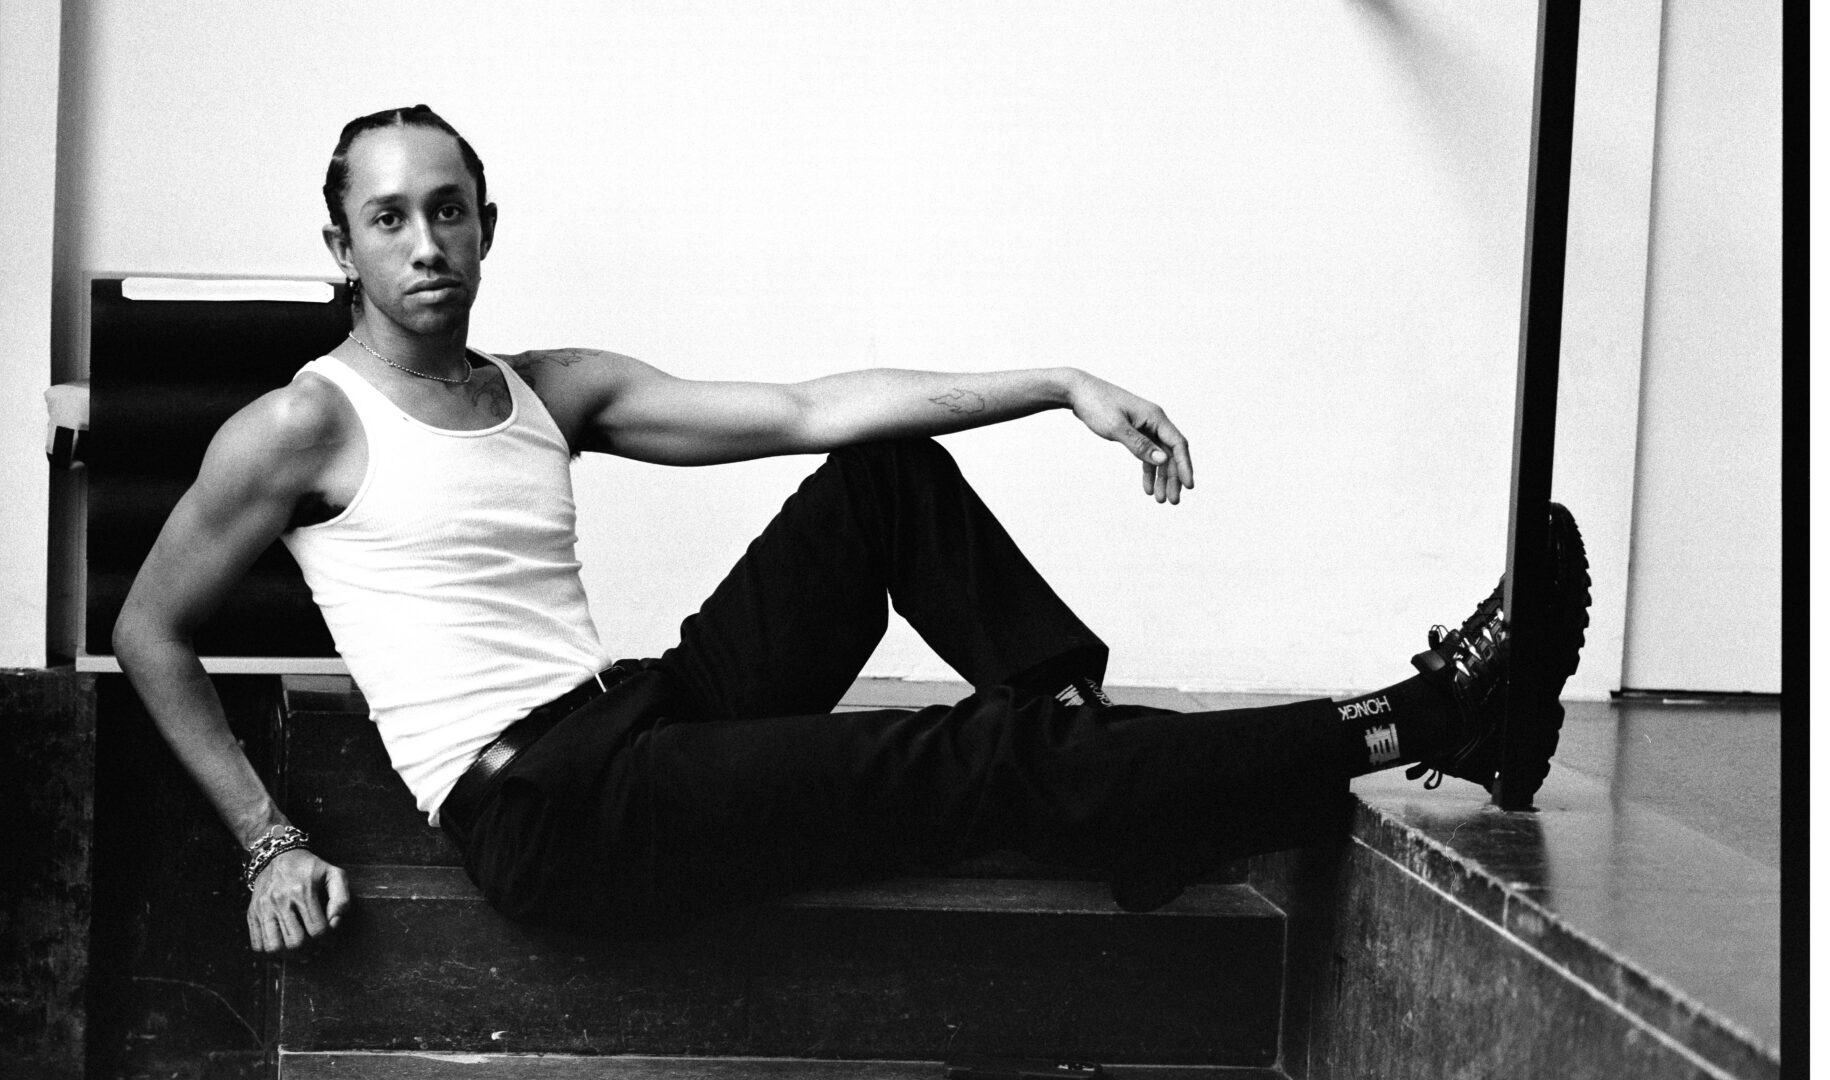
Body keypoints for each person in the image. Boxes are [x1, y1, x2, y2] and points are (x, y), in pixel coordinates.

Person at [112, 104, 1590, 958]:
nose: (425, 243)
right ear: (340, 245)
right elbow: (149, 630)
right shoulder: (301, 427)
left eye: (449, 210)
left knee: (883, 477)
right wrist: (265, 841)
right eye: (388, 219)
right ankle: (1428, 714)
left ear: (488, 223)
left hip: (628, 721)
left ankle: (1098, 769)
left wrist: (1055, 381)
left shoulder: (545, 389)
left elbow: (813, 408)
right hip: (546, 813)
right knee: (980, 759)